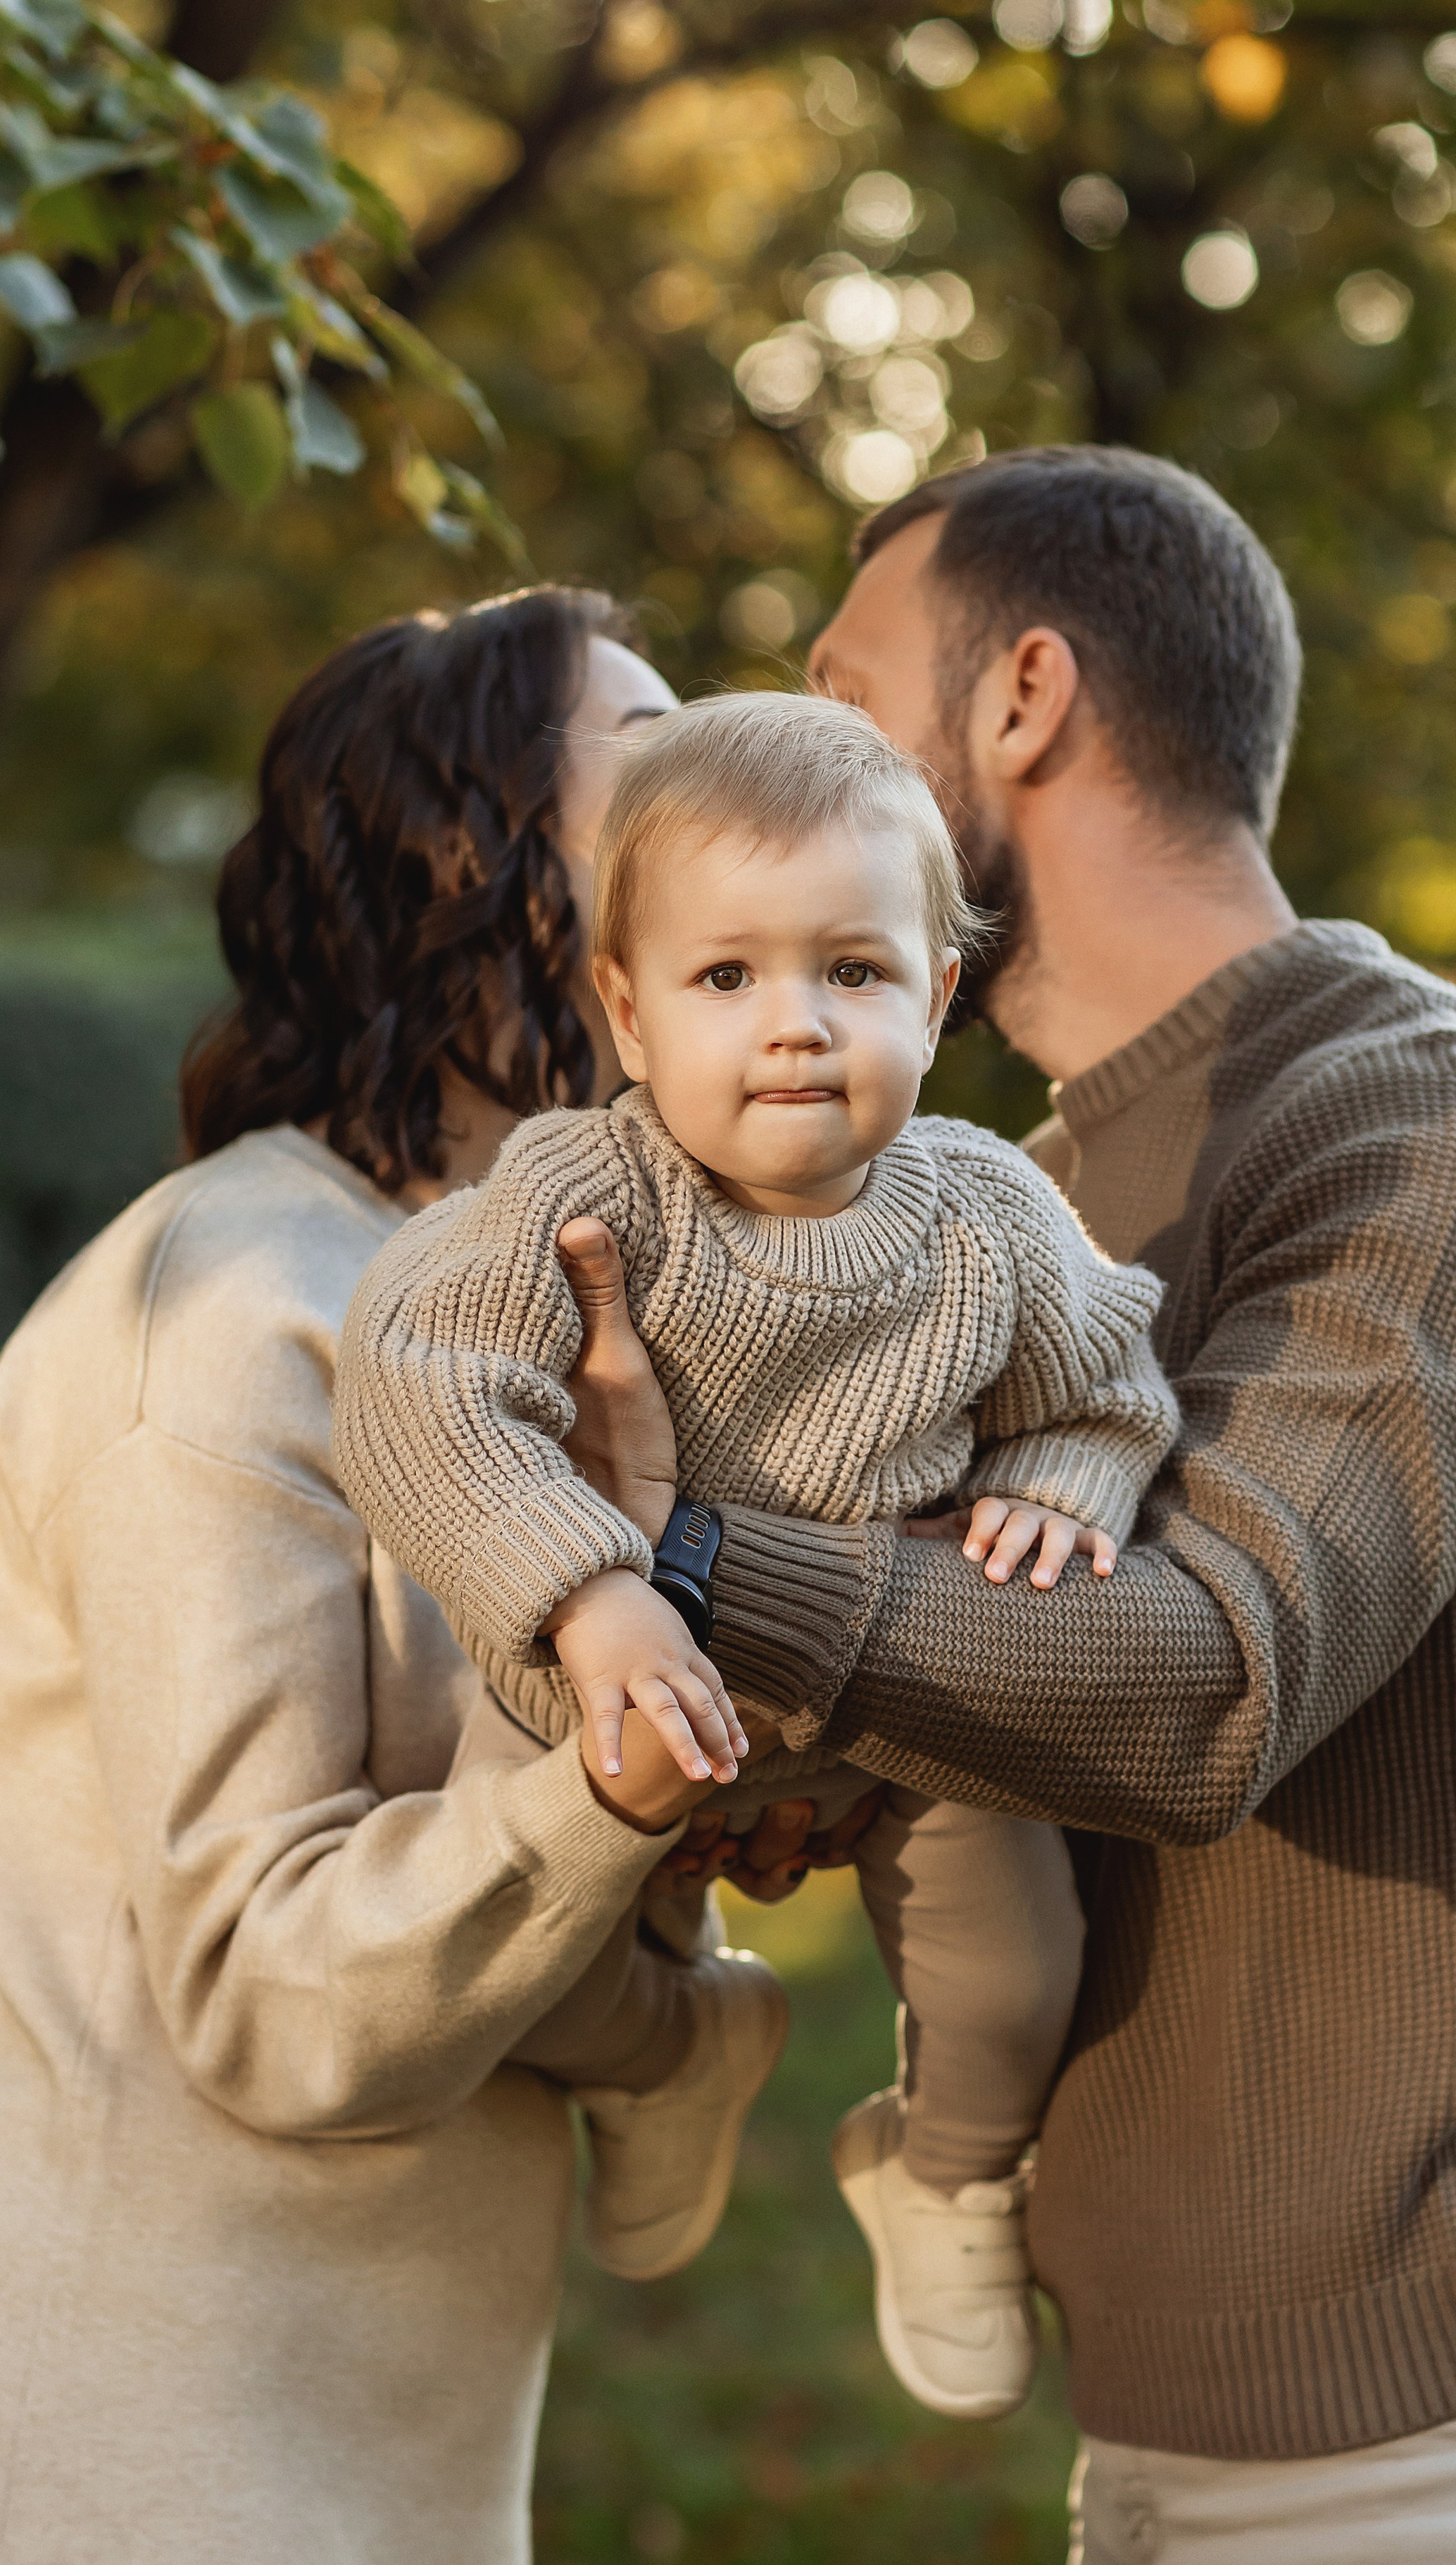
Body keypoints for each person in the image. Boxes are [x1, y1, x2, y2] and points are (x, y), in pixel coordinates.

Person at [551, 451, 1456, 2565]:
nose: (804, 744)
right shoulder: (1016, 1192)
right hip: (1148, 2397)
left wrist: (681, 1538)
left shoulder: (1434, 1123)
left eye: (851, 688)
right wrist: (809, 1758)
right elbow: (970, 1654)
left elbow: (1202, 1690)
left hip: (1441, 2413)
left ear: (1031, 694)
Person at [0, 587, 777, 2565]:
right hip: (121, 2475)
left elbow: (487, 1861)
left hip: (351, 2463)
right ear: (467, 860)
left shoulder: (497, 1304)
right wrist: (645, 1922)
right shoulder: (235, 1312)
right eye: (653, 768)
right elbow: (272, 1991)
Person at [332, 689, 1178, 2420]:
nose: (792, 1027)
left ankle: (940, 2170)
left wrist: (1071, 1479)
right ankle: (674, 2051)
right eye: (727, 980)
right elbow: (416, 1387)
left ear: (937, 1000)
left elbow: (1106, 1385)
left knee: (1016, 1976)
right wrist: (588, 1592)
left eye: (852, 974)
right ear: (627, 1015)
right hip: (612, 1682)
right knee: (517, 1960)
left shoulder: (989, 1218)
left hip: (892, 1693)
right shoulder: (588, 1190)